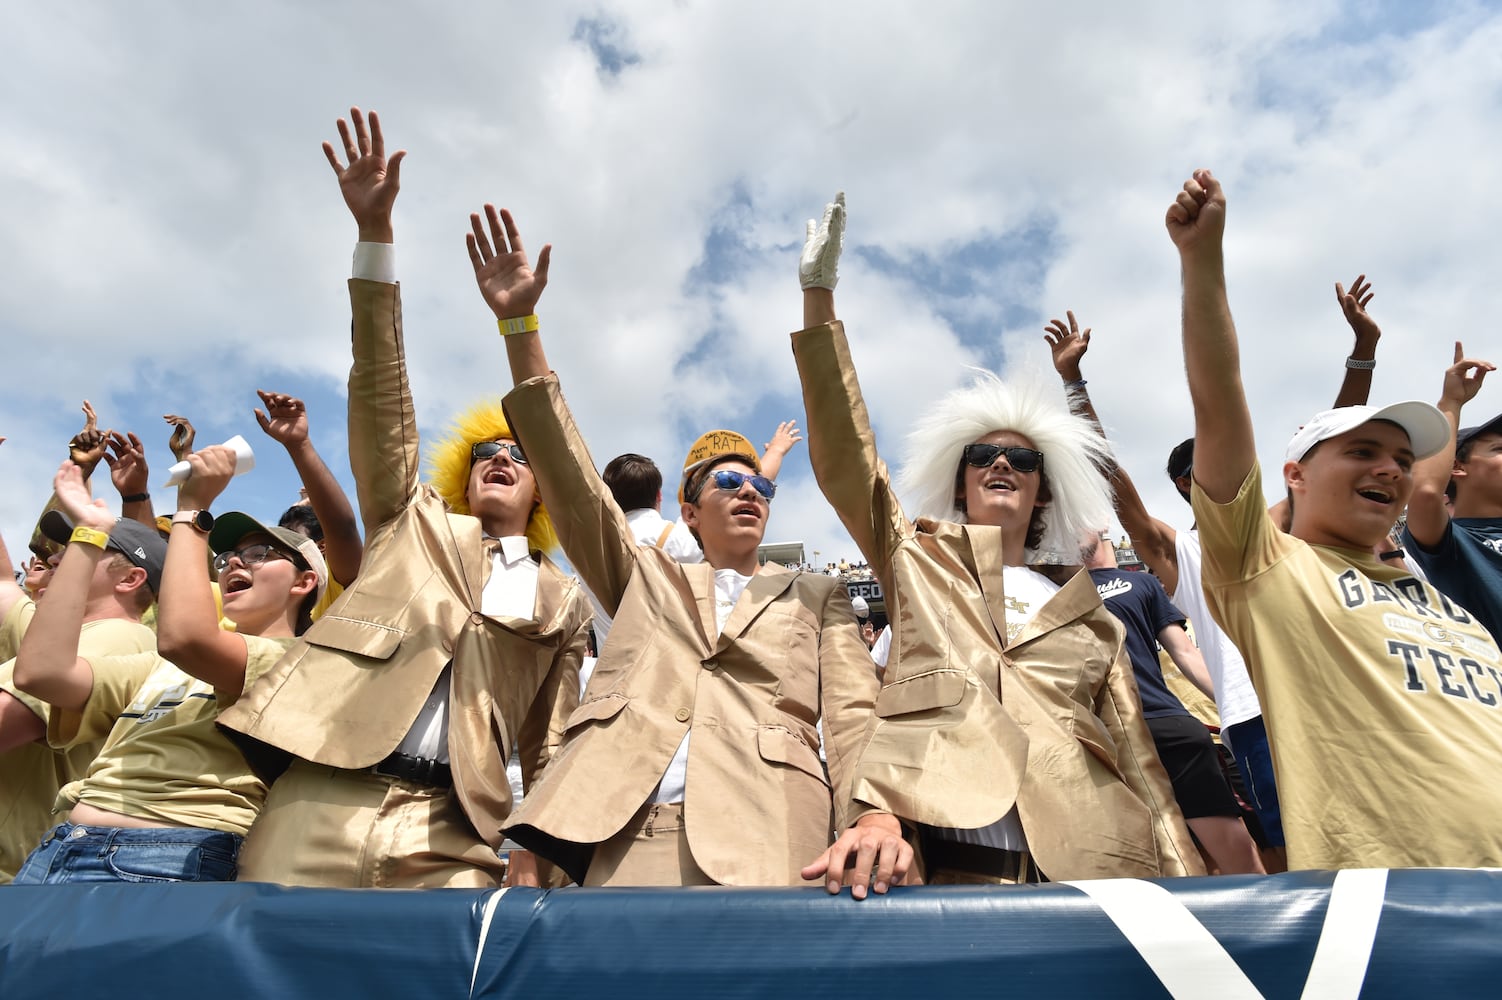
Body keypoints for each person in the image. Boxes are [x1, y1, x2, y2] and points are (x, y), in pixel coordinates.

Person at [466, 202, 907, 896]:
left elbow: (852, 714)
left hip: (774, 843)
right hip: (621, 842)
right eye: (728, 481)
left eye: (761, 484)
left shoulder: (816, 595)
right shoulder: (648, 579)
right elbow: (577, 492)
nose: (750, 492)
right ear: (687, 510)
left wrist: (876, 815)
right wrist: (520, 328)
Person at [217, 107, 591, 889]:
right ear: (462, 471)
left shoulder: (564, 599)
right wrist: (375, 238)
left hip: (455, 834)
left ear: (545, 486)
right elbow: (383, 405)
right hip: (321, 795)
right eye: (486, 450)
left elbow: (550, 739)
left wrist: (546, 854)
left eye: (520, 454)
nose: (500, 457)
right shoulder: (414, 522)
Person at [791, 192, 1200, 884]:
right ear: (961, 483)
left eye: (1024, 459)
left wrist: (1186, 888)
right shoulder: (917, 563)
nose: (1003, 464)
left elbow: (1140, 764)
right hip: (947, 864)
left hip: (1094, 874)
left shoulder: (1088, 613)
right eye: (983, 456)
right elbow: (846, 461)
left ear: (1043, 489)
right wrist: (819, 297)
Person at [1171, 167, 1502, 870]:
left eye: (1402, 459)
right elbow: (1220, 403)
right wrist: (1203, 264)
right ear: (1294, 477)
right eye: (1363, 451)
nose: (1391, 468)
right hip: (1394, 910)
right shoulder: (1269, 571)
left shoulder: (1458, 615)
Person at [11, 444, 321, 883]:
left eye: (259, 554)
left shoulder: (302, 661)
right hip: (58, 849)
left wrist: (193, 508)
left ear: (305, 582)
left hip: (170, 857)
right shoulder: (158, 665)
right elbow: (41, 673)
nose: (233, 559)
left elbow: (184, 637)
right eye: (227, 556)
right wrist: (89, 534)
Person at [1043, 312, 1287, 868]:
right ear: (1186, 482)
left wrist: (1360, 360)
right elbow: (1109, 474)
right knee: (1280, 854)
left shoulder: (1277, 531)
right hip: (1240, 717)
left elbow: (1328, 462)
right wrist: (1074, 386)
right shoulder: (1176, 555)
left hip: (1299, 703)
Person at [0, 427, 159, 883]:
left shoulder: (119, 637)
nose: (62, 557)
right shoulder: (63, 631)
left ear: (128, 580)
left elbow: (8, 720)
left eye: (87, 545)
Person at [1082, 535, 1263, 874]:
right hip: (1105, 738)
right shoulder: (1049, 591)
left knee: (1231, 853)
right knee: (1159, 859)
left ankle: (1266, 916)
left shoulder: (1139, 582)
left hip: (1160, 726)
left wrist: (1239, 708)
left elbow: (1185, 653)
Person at [1400, 344, 1502, 640]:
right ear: (1456, 466)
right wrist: (1451, 402)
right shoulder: (1451, 543)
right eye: (1499, 449)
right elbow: (1426, 492)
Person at [251, 389, 364, 619]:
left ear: (322, 547)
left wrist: (299, 444)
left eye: (292, 538)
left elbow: (341, 529)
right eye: (270, 546)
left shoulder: (329, 589)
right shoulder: (239, 615)